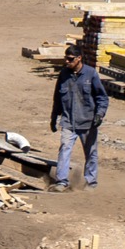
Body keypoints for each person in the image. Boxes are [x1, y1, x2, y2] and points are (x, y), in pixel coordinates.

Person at [49, 51, 109, 190]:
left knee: (91, 153)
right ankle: (62, 182)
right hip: (69, 121)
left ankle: (91, 182)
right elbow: (57, 98)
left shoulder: (91, 74)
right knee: (64, 149)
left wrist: (99, 115)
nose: (67, 62)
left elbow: (102, 98)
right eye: (66, 59)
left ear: (79, 58)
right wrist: (53, 117)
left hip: (88, 122)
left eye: (70, 59)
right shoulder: (64, 74)